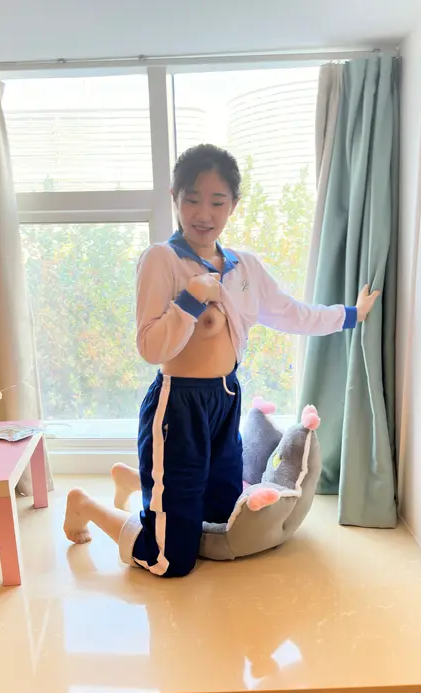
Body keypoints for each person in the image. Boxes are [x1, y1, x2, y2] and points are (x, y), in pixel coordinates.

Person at [63, 144, 380, 577]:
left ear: (233, 204)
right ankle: (84, 504)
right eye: (192, 199)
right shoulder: (161, 259)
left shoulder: (244, 266)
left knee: (219, 518)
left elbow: (291, 313)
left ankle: (136, 481)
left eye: (217, 201)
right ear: (175, 197)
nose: (203, 213)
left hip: (225, 399)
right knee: (170, 560)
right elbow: (151, 347)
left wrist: (352, 315)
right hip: (178, 405)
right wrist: (191, 299)